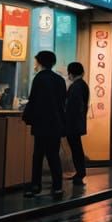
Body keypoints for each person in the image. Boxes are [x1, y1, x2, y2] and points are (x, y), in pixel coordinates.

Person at [22, 51, 67, 197]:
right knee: (53, 155)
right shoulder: (60, 80)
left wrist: (28, 116)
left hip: (41, 123)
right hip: (56, 123)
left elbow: (33, 100)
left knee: (38, 155)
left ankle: (35, 186)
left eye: (36, 62)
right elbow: (62, 103)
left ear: (40, 62)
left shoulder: (39, 79)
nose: (35, 64)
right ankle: (57, 186)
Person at [64, 61, 89, 184]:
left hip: (73, 123)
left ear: (71, 73)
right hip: (78, 122)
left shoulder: (76, 86)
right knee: (76, 147)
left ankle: (80, 172)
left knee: (76, 148)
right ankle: (79, 172)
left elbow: (72, 106)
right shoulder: (82, 85)